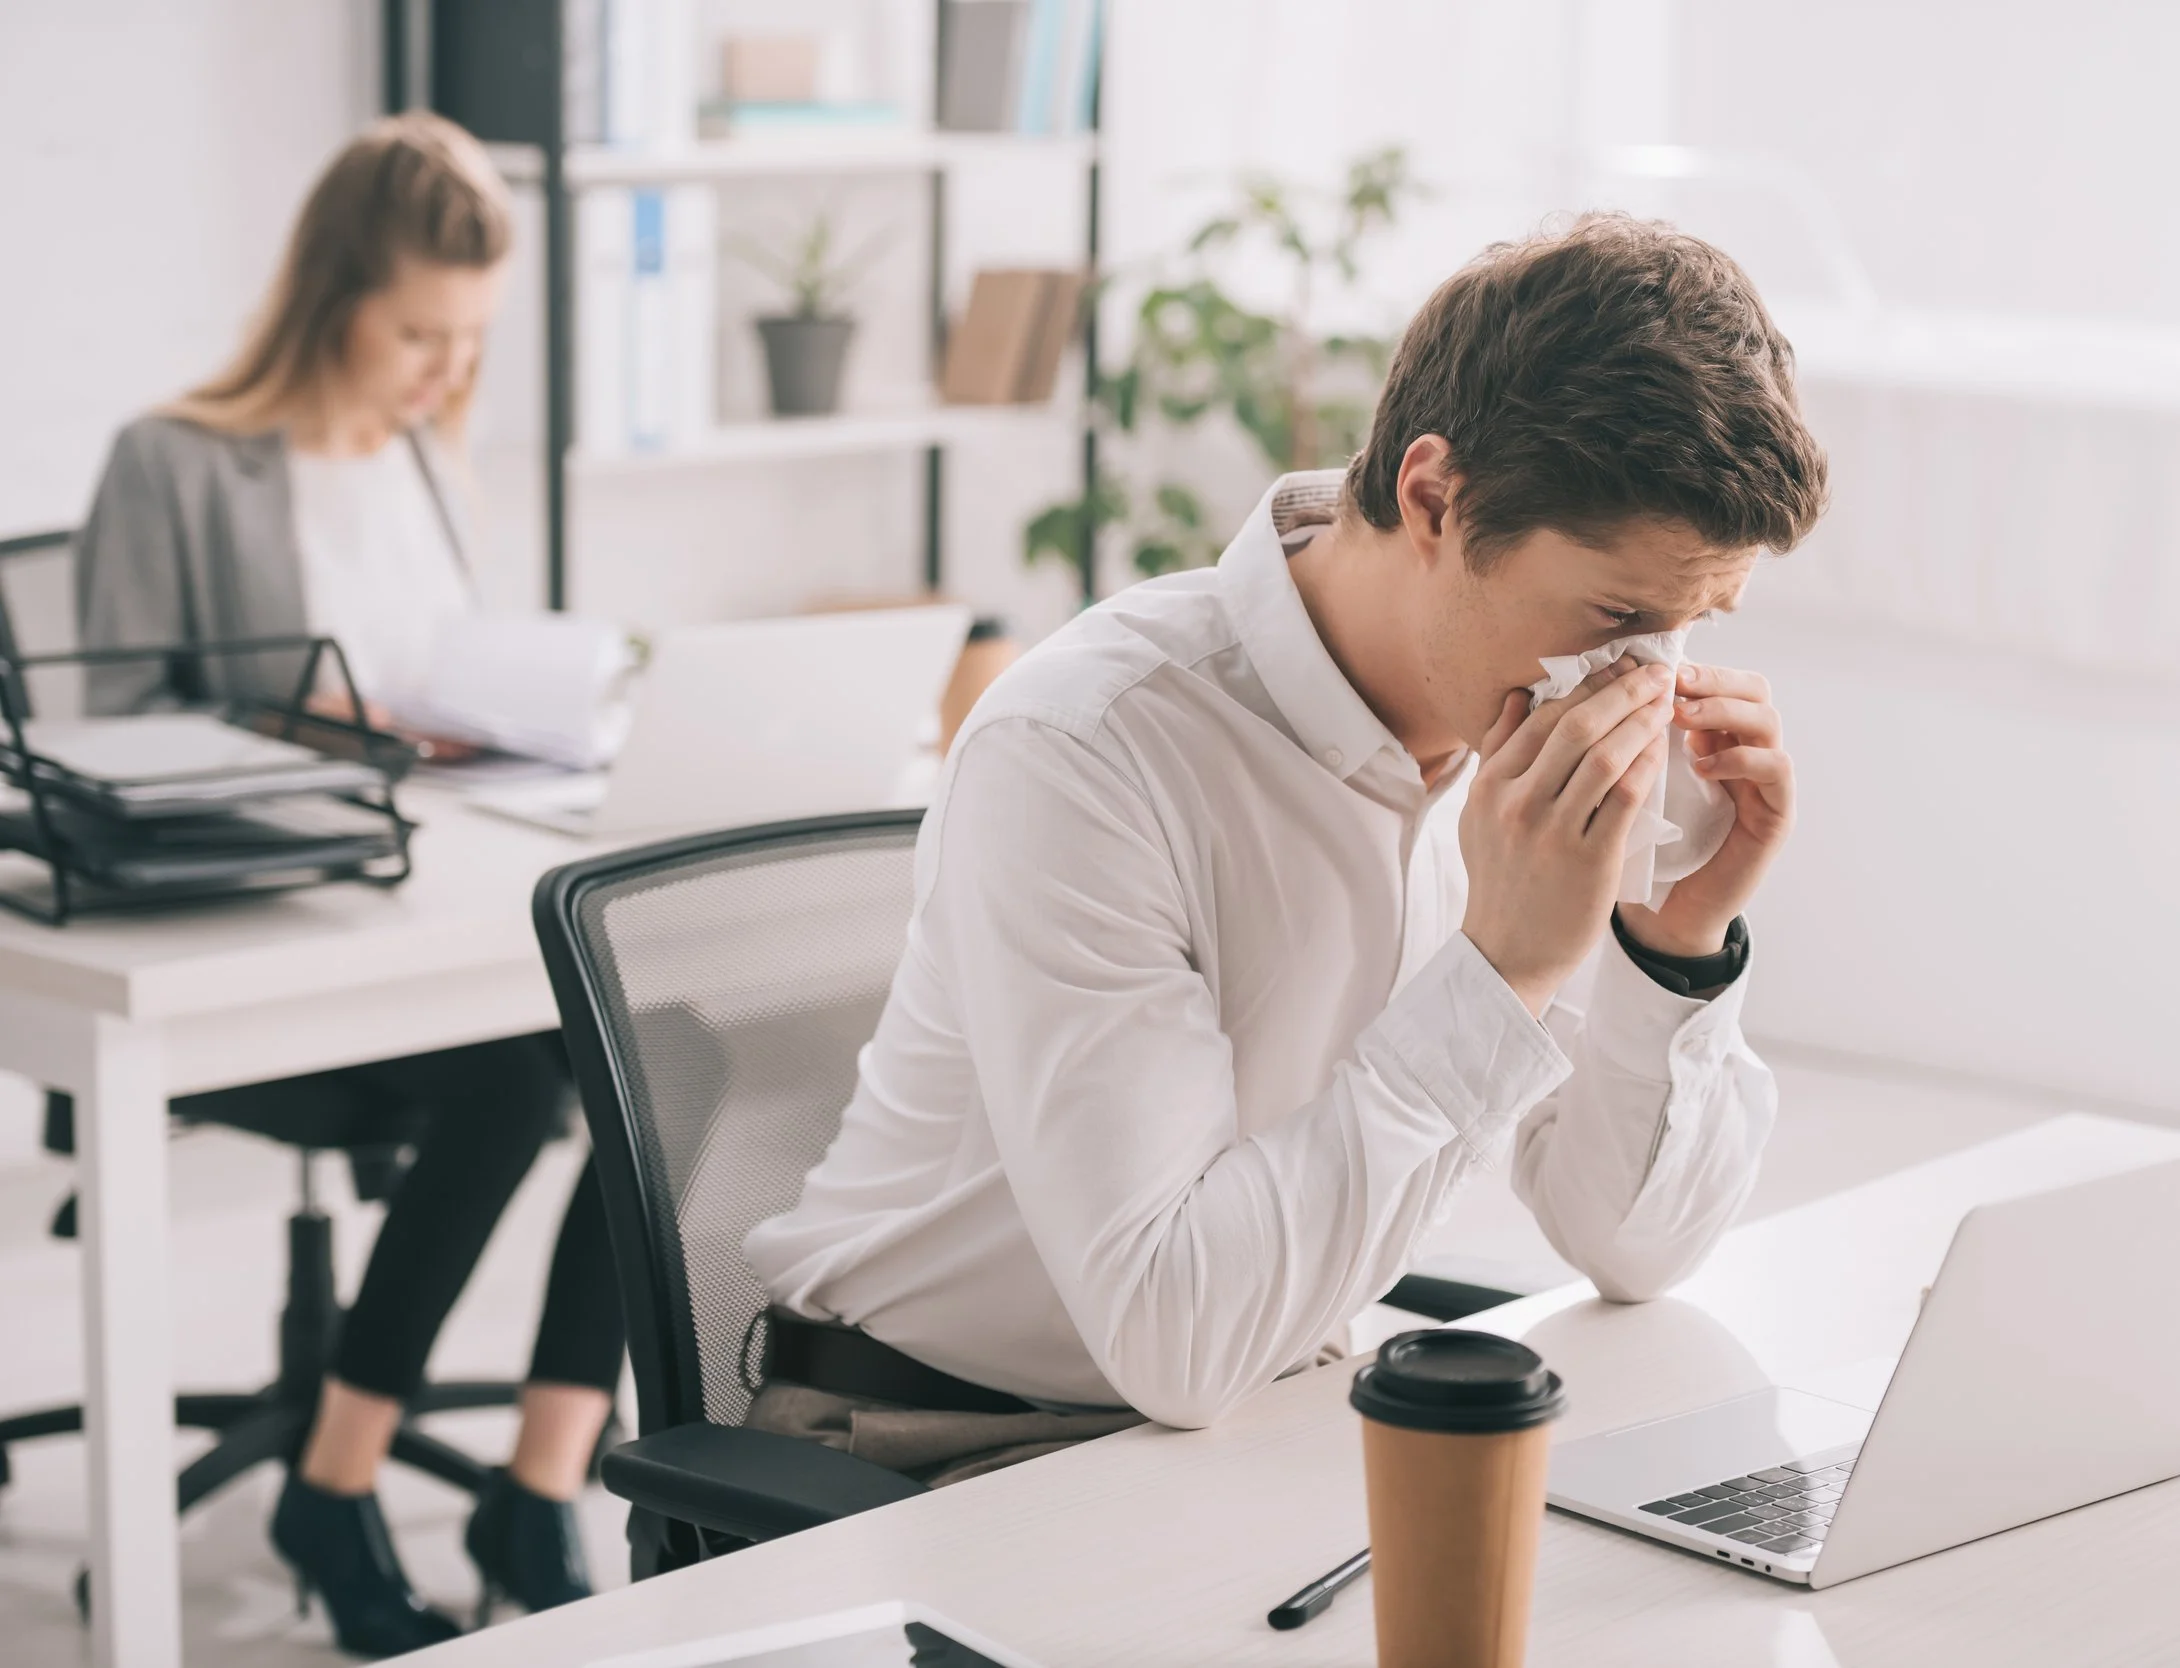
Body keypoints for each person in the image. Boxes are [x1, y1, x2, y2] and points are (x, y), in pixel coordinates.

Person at [740, 214, 1826, 1479]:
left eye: (1694, 623)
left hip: (1271, 1410)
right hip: (939, 1448)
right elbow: (1174, 1340)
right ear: (1433, 498)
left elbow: (1631, 1245)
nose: (1644, 677)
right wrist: (1501, 973)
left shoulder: (1516, 740)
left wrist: (1677, 940)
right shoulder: (1086, 749)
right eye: (1618, 614)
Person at [73, 114, 622, 1656]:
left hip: (431, 907)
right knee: (514, 1093)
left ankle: (542, 1483)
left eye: (472, 339)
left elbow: (444, 677)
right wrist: (308, 737)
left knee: (662, 1066)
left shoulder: (421, 455)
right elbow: (102, 748)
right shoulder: (174, 464)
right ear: (331, 299)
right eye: (419, 332)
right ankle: (336, 1481)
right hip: (261, 959)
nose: (448, 372)